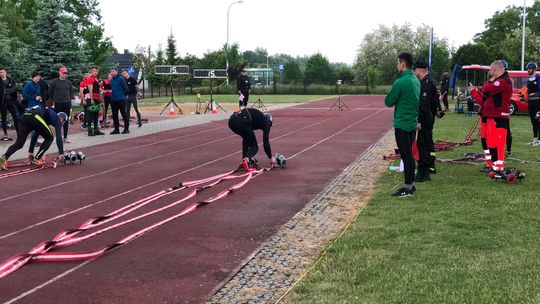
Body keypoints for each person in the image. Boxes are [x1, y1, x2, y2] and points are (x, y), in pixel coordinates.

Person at [384, 53, 420, 197]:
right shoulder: (415, 80)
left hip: (402, 123)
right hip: (411, 122)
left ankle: (408, 187)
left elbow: (388, 101)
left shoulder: (400, 82)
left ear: (403, 64)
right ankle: (411, 184)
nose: (397, 65)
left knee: (406, 155)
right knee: (409, 155)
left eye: (398, 63)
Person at [469, 61, 512, 174]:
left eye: (491, 70)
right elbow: (485, 93)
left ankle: (497, 167)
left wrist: (484, 86)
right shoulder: (499, 81)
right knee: (491, 142)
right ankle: (494, 166)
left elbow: (486, 89)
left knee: (496, 143)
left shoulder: (504, 81)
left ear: (494, 70)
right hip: (491, 116)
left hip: (498, 117)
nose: (490, 73)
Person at [0, 107, 67, 170]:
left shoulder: (45, 119)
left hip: (25, 116)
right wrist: (61, 153)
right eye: (64, 122)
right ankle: (37, 158)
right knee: (50, 138)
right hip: (35, 116)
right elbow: (59, 137)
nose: (62, 124)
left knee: (19, 144)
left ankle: (3, 158)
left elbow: (35, 135)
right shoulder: (57, 119)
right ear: (62, 119)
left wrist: (30, 152)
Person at [413, 61, 439, 182]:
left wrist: (419, 121)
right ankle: (430, 167)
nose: (414, 73)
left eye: (415, 70)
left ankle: (423, 172)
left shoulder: (426, 83)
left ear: (420, 70)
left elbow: (424, 104)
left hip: (424, 118)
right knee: (428, 144)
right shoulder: (431, 81)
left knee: (422, 145)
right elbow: (435, 103)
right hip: (429, 117)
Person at [49, 66, 73, 143]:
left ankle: (65, 137)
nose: (65, 74)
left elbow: (70, 92)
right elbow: (50, 92)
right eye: (63, 73)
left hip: (67, 104)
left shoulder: (68, 82)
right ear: (59, 73)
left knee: (66, 121)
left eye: (66, 73)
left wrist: (69, 101)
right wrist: (55, 99)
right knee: (58, 121)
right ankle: (58, 137)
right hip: (58, 104)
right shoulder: (54, 82)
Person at [0, 67, 19, 141]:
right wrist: (8, 91)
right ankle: (6, 135)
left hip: (11, 101)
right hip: (2, 102)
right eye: (0, 72)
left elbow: (14, 89)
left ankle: (19, 134)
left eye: (3, 72)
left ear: (6, 73)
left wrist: (4, 91)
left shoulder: (10, 80)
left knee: (15, 117)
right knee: (4, 118)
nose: (2, 74)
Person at [109, 68, 130, 134]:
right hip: (113, 100)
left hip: (121, 99)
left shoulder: (121, 79)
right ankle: (116, 129)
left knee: (124, 114)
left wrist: (124, 96)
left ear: (117, 71)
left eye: (113, 71)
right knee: (114, 115)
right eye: (111, 72)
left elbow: (126, 89)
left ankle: (126, 128)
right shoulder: (111, 80)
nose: (112, 73)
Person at [85, 66, 104, 136]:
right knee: (91, 115)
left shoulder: (96, 78)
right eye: (94, 71)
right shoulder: (90, 78)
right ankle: (89, 131)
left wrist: (100, 99)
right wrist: (92, 99)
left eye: (96, 71)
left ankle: (96, 130)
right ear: (91, 71)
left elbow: (98, 89)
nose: (95, 72)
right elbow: (90, 90)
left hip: (97, 98)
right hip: (92, 99)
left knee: (96, 114)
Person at [525, 62, 540, 146]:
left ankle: (539, 140)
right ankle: (535, 139)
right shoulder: (529, 79)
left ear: (534, 69)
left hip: (538, 103)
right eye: (528, 69)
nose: (528, 70)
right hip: (530, 103)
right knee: (533, 121)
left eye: (529, 69)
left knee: (538, 120)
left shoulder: (538, 78)